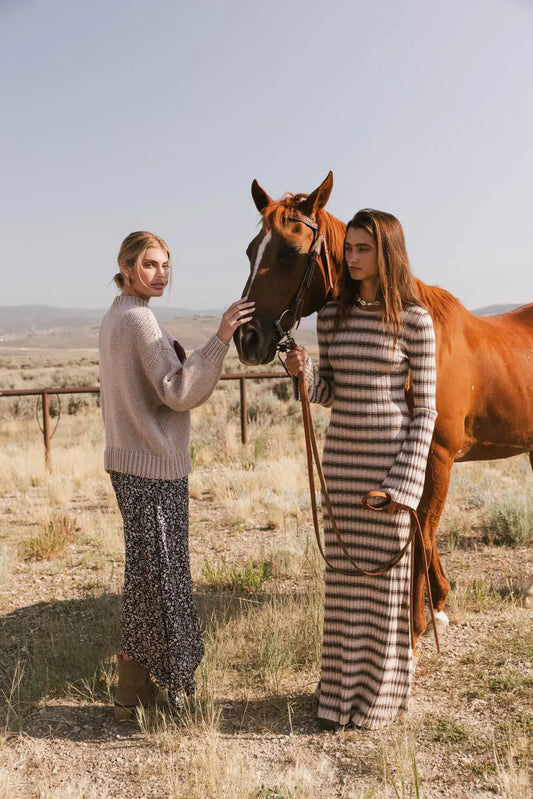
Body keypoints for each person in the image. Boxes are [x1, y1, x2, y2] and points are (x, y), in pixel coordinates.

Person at [285, 209, 437, 731]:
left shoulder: (415, 321)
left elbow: (427, 411)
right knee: (345, 589)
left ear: (386, 252)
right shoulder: (330, 317)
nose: (350, 257)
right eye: (347, 248)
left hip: (390, 471)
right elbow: (330, 391)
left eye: (362, 249)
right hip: (343, 467)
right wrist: (304, 375)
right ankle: (339, 699)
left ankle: (379, 702)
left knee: (385, 591)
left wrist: (402, 488)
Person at [98, 230, 254, 721]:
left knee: (147, 578)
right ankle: (178, 691)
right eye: (149, 264)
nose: (160, 273)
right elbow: (178, 391)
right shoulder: (139, 319)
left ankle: (132, 693)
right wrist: (220, 338)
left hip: (131, 462)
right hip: (151, 466)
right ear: (126, 267)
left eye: (166, 265)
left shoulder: (115, 315)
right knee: (165, 580)